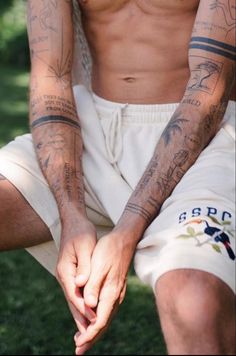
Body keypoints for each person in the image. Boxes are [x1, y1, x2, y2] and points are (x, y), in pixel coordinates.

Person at [0, 0, 235, 354]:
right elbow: (52, 76)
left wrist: (127, 232)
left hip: (207, 136)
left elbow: (209, 84)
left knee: (194, 298)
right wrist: (72, 214)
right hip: (92, 126)